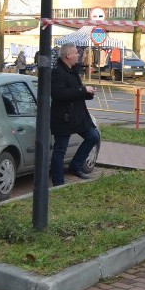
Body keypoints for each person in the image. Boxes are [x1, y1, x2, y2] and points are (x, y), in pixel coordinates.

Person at [50, 43, 100, 186]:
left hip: (78, 115)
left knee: (93, 136)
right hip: (63, 117)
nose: (78, 55)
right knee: (60, 148)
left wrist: (88, 92)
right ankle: (58, 182)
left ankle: (75, 166)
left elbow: (77, 90)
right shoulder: (58, 72)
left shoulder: (72, 70)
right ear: (68, 56)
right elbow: (59, 94)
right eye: (76, 53)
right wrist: (83, 90)